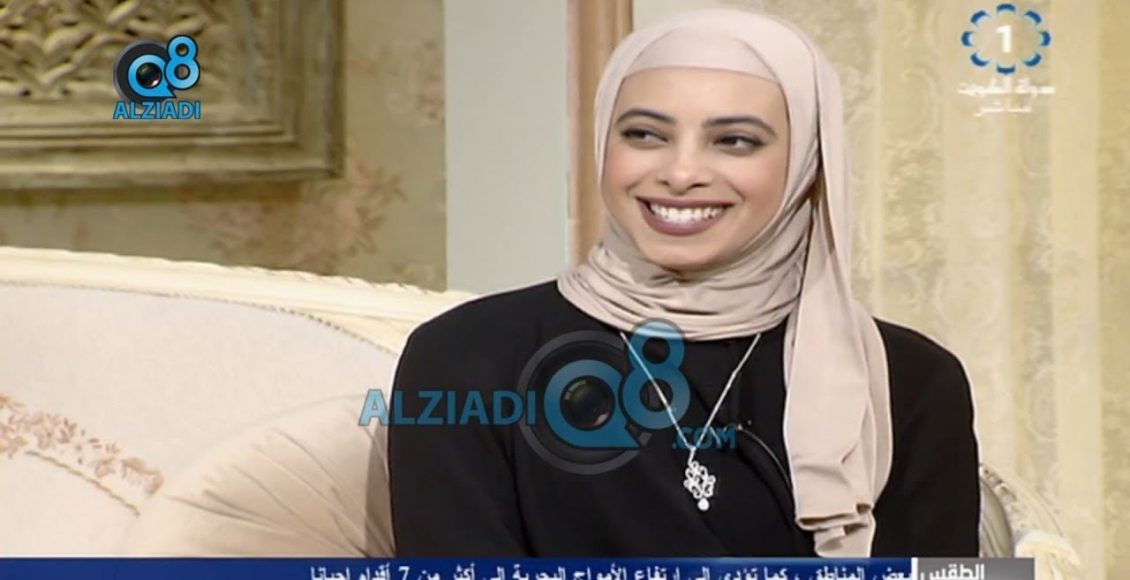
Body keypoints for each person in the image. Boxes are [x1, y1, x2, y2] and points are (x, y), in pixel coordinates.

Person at [386, 7, 979, 558]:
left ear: (807, 164)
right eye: (645, 135)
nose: (681, 173)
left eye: (735, 141)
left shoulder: (911, 381)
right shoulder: (466, 357)